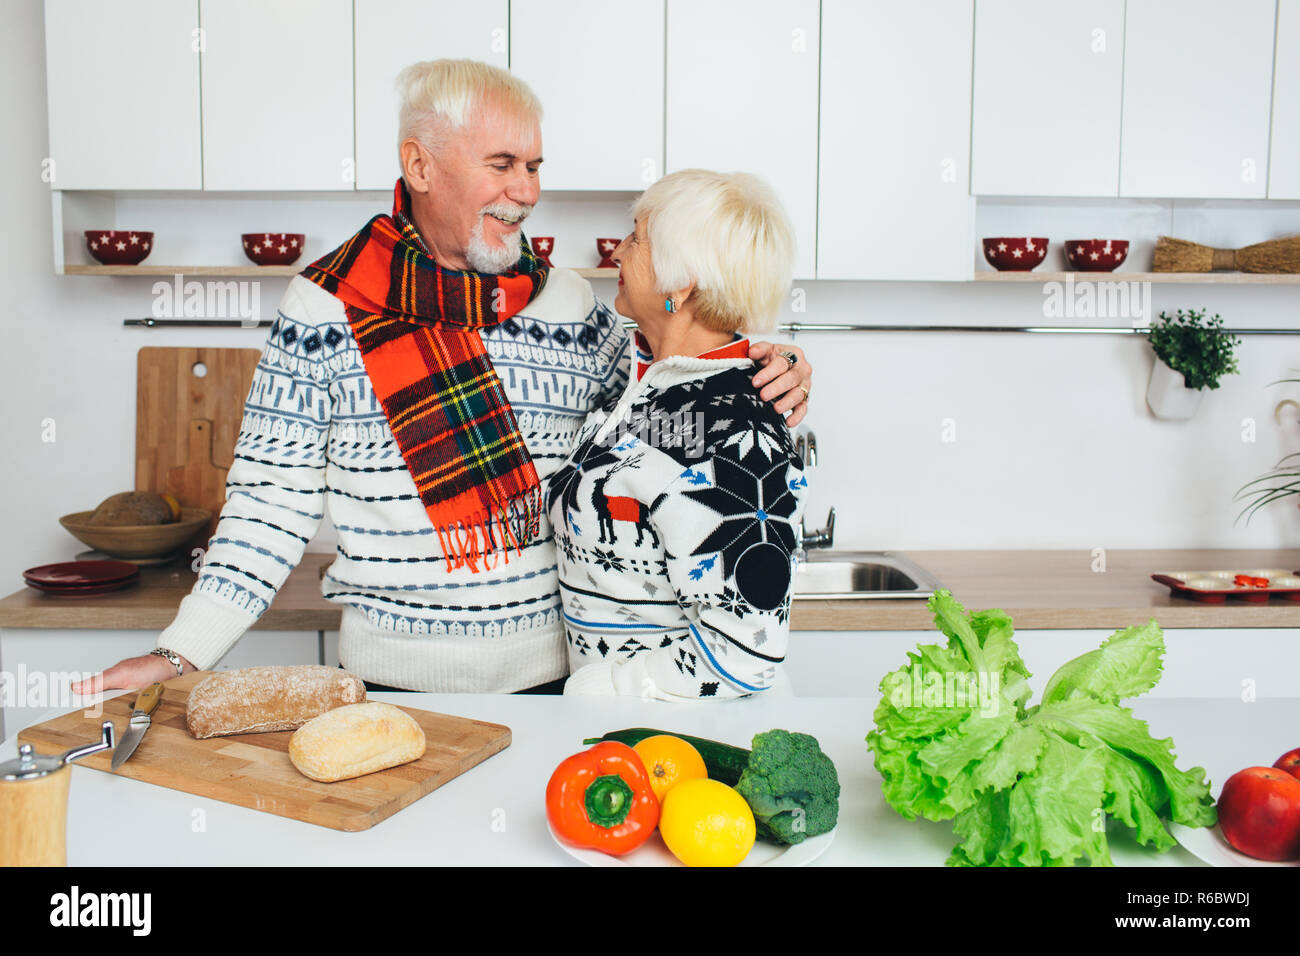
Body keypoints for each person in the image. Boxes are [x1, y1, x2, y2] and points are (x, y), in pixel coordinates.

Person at [71, 60, 812, 697]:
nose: (525, 192)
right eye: (501, 164)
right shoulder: (323, 307)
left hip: (558, 684)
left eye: (534, 167)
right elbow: (270, 504)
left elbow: (661, 396)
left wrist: (765, 367)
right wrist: (180, 650)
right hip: (389, 686)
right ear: (420, 165)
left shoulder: (567, 302)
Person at [553, 169, 807, 700]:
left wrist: (601, 691)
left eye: (636, 239)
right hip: (626, 734)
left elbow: (746, 650)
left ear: (680, 283)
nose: (617, 253)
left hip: (673, 748)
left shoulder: (734, 428)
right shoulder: (650, 380)